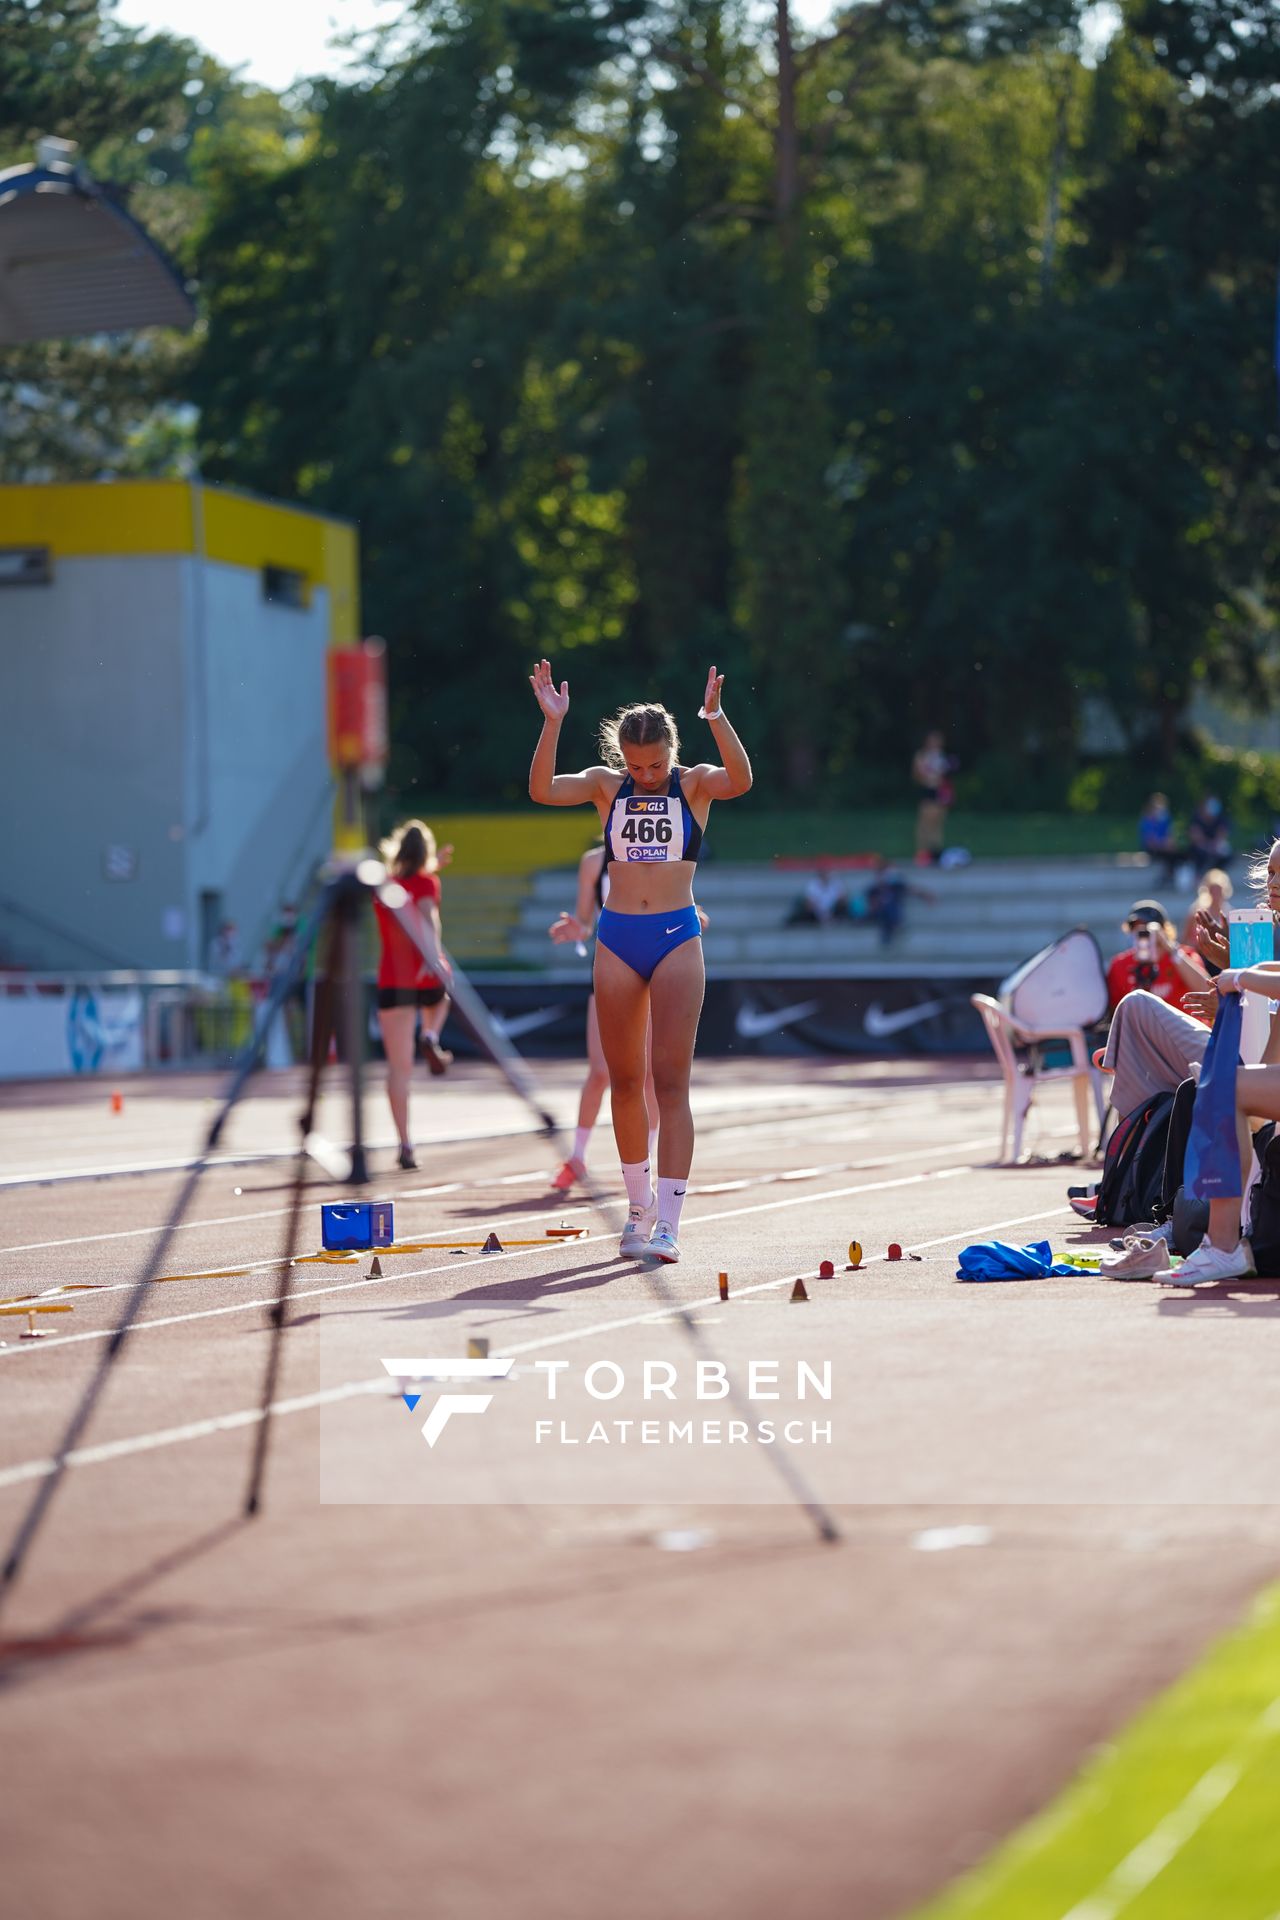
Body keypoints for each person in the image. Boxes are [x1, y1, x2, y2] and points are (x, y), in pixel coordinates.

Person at [528, 659, 752, 1262]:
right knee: (624, 1083)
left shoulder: (695, 784)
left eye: (654, 765)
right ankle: (637, 1210)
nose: (646, 776)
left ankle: (670, 1224)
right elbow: (543, 790)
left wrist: (715, 715)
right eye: (635, 766)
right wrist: (553, 723)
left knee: (669, 1084)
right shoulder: (608, 787)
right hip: (617, 938)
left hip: (676, 934)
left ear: (671, 754)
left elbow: (743, 778)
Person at [546, 840, 661, 1192]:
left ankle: (648, 1162)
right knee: (599, 1071)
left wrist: (692, 915)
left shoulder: (658, 852)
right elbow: (585, 920)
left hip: (653, 966)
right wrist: (576, 929)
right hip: (609, 969)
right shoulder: (593, 863)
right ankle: (577, 1157)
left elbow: (674, 898)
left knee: (649, 1076)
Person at [373, 819, 453, 1171]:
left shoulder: (386, 885)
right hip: (424, 975)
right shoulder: (427, 883)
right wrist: (433, 956)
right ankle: (431, 1033)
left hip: (392, 979)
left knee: (398, 1069)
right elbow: (428, 916)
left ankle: (405, 1143)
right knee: (444, 996)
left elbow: (407, 893)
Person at [1106, 899, 1209, 1017]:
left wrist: (1170, 949)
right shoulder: (1120, 964)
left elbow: (1206, 989)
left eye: (1147, 929)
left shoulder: (1184, 956)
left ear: (1164, 930)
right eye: (1136, 929)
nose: (1142, 934)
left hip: (1180, 1031)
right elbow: (1114, 1011)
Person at [912, 730, 955, 864]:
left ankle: (935, 851)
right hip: (927, 790)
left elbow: (944, 776)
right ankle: (922, 852)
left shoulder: (941, 757)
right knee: (925, 821)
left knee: (937, 821)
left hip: (939, 791)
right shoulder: (921, 756)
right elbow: (917, 775)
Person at [1181, 868, 1231, 956]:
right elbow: (1185, 939)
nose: (1216, 893)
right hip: (1201, 955)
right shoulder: (1197, 912)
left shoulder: (1229, 913)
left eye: (1218, 890)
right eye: (1213, 890)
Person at [1138, 793, 1182, 885]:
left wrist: (1169, 843)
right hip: (1153, 849)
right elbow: (1149, 841)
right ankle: (1166, 878)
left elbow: (1170, 836)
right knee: (1167, 856)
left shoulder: (1166, 820)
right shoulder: (1147, 820)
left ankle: (1170, 877)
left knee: (1176, 855)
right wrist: (1163, 845)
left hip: (1165, 849)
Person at [1188, 795, 1232, 872]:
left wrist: (1213, 845)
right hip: (1201, 848)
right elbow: (1196, 837)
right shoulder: (1196, 818)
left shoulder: (1220, 818)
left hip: (1214, 847)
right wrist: (1208, 846)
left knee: (1225, 852)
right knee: (1199, 852)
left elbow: (1222, 834)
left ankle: (1218, 872)